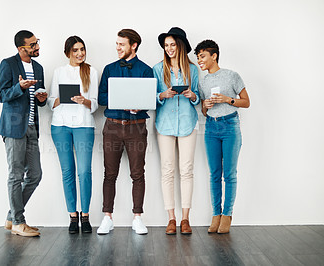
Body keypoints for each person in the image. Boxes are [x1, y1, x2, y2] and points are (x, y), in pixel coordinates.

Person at [97, 29, 153, 235]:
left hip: (136, 127)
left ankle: (137, 217)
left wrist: (140, 105)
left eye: (122, 44)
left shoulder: (146, 70)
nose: (118, 47)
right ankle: (107, 217)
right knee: (109, 173)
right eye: (117, 43)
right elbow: (101, 98)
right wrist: (119, 98)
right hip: (111, 127)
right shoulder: (109, 69)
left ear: (134, 45)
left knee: (138, 174)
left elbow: (150, 100)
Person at [194, 39, 250, 234]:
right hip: (211, 127)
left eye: (202, 56)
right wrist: (205, 106)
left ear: (214, 55)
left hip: (230, 126)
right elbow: (202, 109)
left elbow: (246, 102)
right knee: (214, 174)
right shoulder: (203, 81)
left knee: (230, 174)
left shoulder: (232, 76)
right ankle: (216, 214)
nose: (199, 60)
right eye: (198, 57)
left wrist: (228, 99)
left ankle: (227, 214)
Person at [0, 30, 48, 237]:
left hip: (32, 128)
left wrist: (42, 98)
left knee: (35, 174)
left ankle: (12, 216)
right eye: (33, 45)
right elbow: (1, 95)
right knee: (15, 175)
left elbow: (37, 99)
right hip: (13, 128)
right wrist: (19, 87)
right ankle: (19, 222)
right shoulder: (8, 64)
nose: (37, 47)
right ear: (21, 48)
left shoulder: (38, 67)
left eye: (37, 43)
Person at [48, 36, 98, 234]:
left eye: (82, 49)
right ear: (67, 52)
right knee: (67, 172)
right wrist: (62, 98)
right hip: (60, 126)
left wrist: (83, 100)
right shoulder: (58, 72)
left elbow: (94, 103)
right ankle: (72, 216)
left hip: (84, 125)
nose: (80, 53)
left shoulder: (91, 72)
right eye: (75, 50)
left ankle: (85, 216)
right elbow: (51, 101)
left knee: (84, 171)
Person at [153, 27, 200, 235]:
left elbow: (198, 97)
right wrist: (162, 95)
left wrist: (192, 95)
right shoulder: (157, 69)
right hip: (165, 124)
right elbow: (152, 97)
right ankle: (171, 218)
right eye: (166, 45)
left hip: (188, 123)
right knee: (167, 170)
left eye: (172, 45)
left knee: (187, 170)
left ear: (180, 46)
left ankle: (185, 218)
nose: (169, 48)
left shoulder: (194, 69)